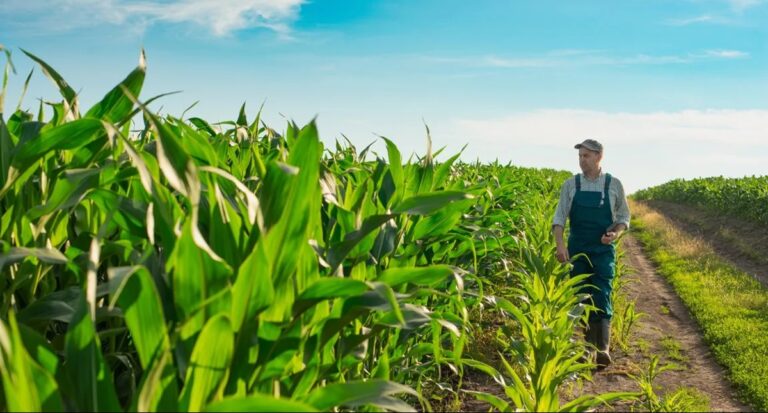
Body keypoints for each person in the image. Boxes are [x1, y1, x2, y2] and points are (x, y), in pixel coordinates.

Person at [551, 139, 630, 368]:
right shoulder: (571, 185)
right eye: (580, 156)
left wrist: (615, 234)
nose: (581, 160)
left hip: (603, 250)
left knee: (602, 292)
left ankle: (602, 348)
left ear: (598, 157)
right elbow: (559, 219)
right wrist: (560, 245)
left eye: (586, 156)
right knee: (581, 296)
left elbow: (623, 218)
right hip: (577, 248)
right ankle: (587, 349)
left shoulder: (613, 184)